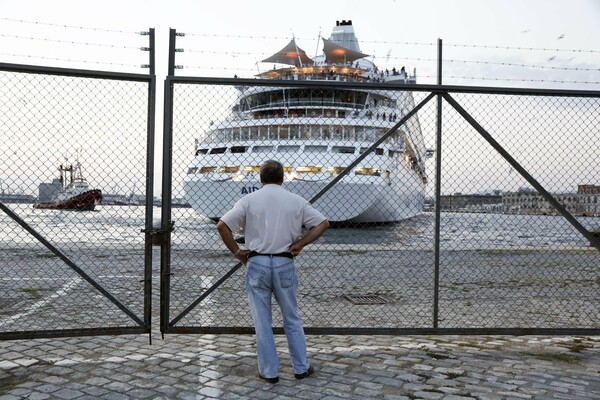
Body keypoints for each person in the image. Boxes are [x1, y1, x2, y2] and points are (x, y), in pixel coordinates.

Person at [216, 160, 329, 384]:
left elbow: (222, 226)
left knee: (262, 321)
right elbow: (322, 223)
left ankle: (269, 372)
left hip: (257, 263)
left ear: (260, 179)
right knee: (292, 318)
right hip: (284, 262)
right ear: (282, 178)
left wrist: (238, 252)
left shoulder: (249, 200)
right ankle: (301, 367)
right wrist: (301, 244)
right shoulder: (296, 201)